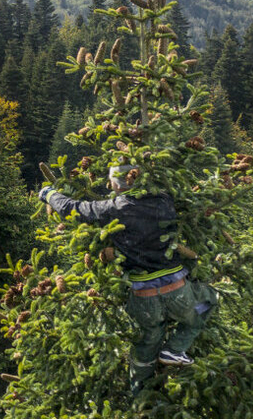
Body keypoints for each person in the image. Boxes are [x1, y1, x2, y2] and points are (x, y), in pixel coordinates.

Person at [38, 164, 217, 395]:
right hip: (177, 291)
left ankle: (141, 399)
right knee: (208, 300)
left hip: (142, 299)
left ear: (116, 184)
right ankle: (175, 348)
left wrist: (48, 193)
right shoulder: (163, 199)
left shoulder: (113, 208)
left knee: (146, 348)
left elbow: (73, 208)